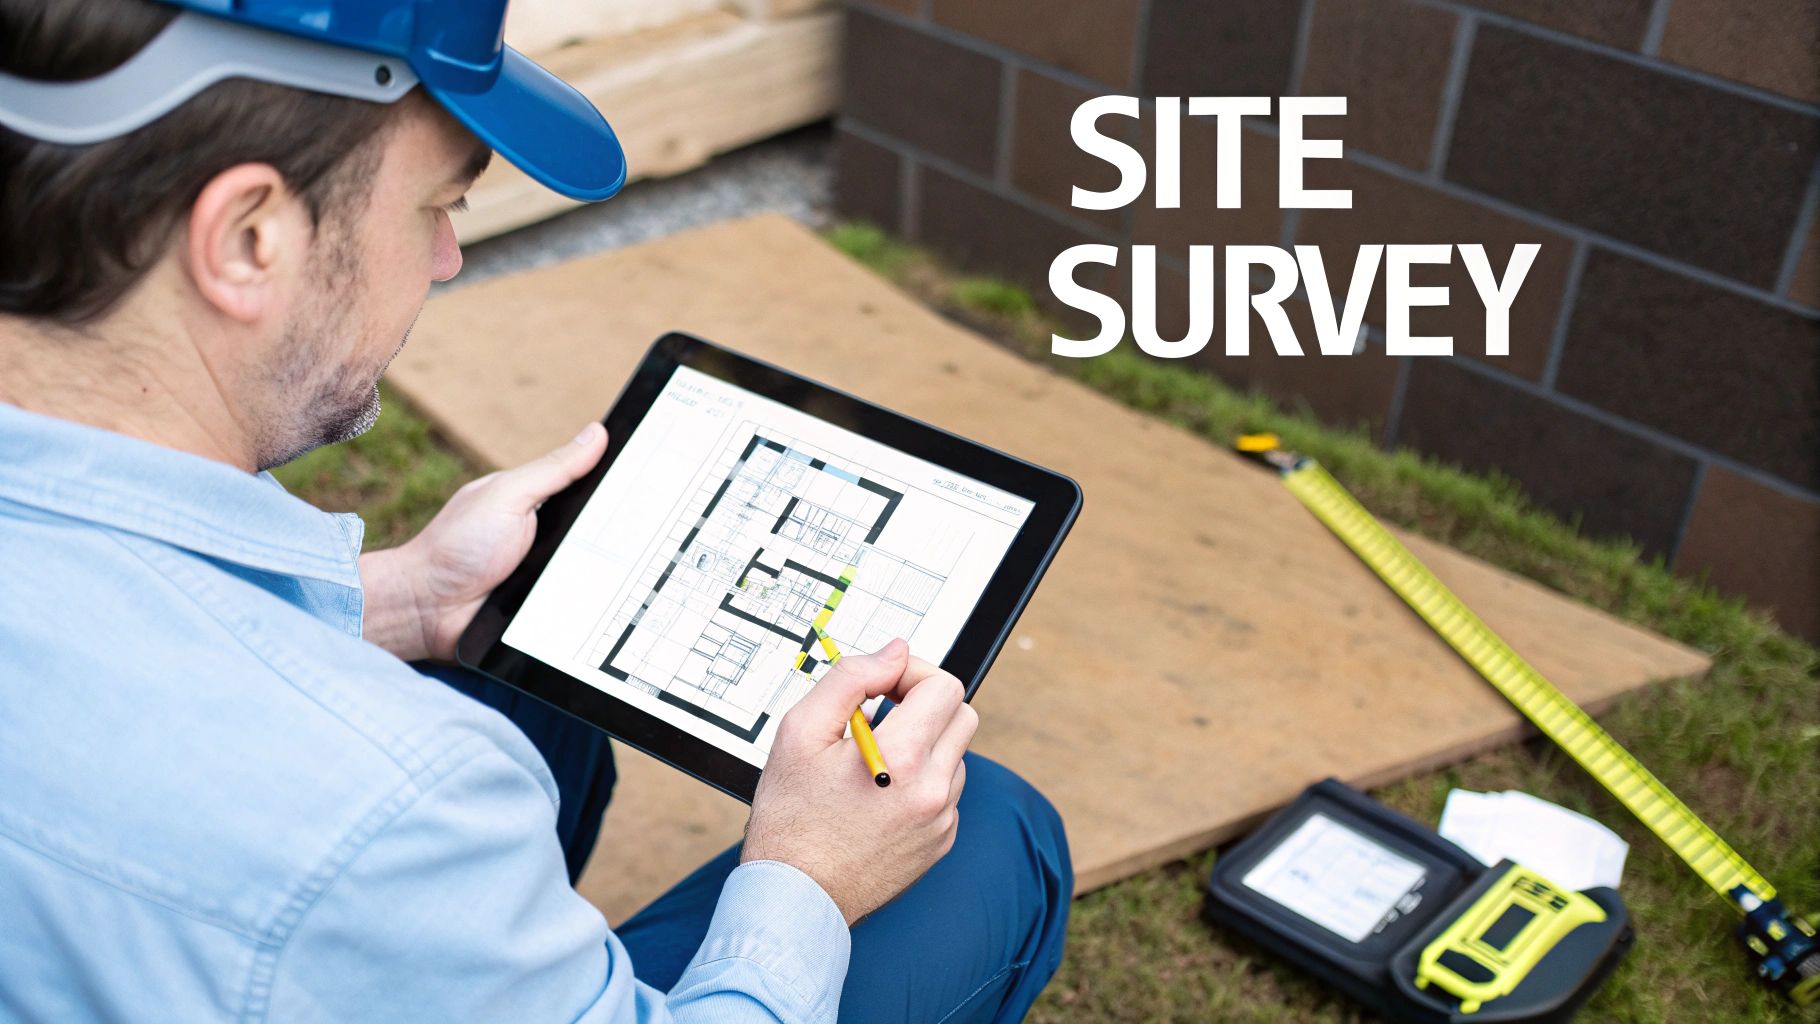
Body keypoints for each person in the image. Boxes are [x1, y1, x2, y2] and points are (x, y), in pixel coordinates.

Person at [0, 2, 1071, 1021]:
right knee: (987, 834)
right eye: (437, 206)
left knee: (512, 665)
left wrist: (410, 597)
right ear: (245, 239)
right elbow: (352, 805)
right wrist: (810, 876)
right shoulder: (400, 801)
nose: (446, 257)